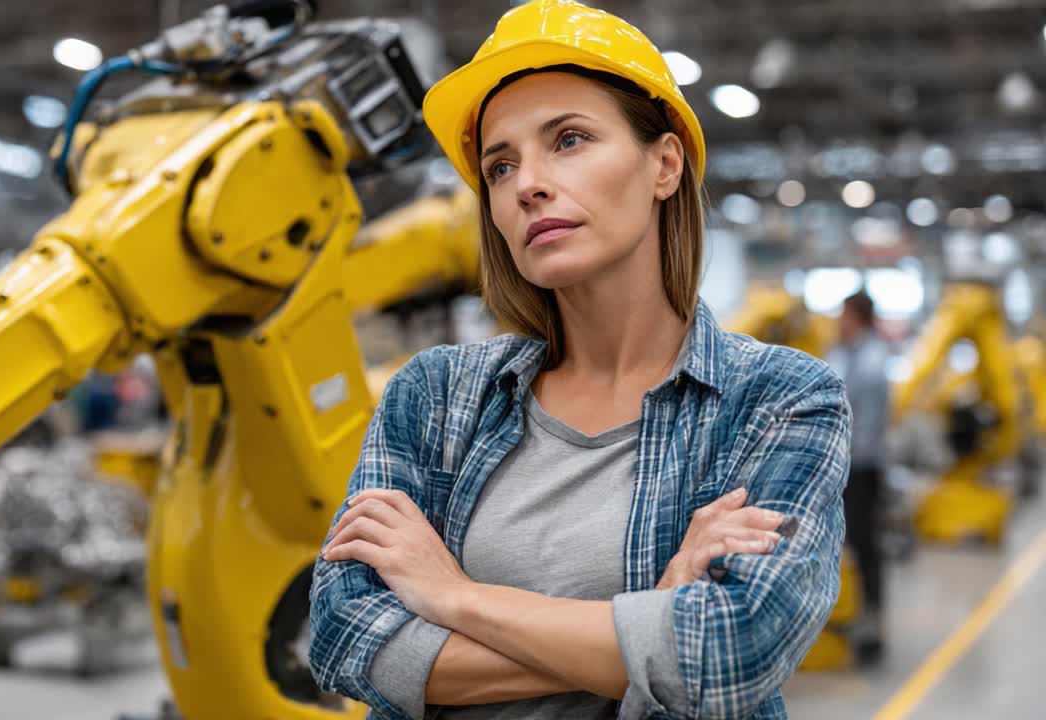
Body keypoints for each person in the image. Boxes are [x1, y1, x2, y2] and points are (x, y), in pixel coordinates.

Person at [308, 2, 852, 718]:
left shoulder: (778, 399)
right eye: (500, 166)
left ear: (663, 164)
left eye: (568, 139)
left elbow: (731, 651)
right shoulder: (433, 396)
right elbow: (345, 638)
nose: (527, 182)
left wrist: (452, 596)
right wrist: (649, 619)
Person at [826, 289, 892, 664]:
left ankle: (871, 616)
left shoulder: (870, 363)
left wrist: (840, 467)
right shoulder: (847, 354)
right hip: (852, 465)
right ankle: (850, 611)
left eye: (843, 315)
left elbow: (862, 428)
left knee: (865, 542)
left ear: (857, 317)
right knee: (851, 541)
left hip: (862, 467)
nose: (838, 321)